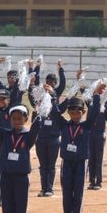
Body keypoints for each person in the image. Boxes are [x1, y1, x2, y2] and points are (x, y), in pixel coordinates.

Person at [51, 84, 105, 213]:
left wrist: (95, 95)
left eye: (78, 112)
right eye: (72, 112)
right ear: (68, 113)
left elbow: (94, 113)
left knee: (78, 195)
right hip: (66, 163)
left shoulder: (86, 126)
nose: (75, 115)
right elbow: (54, 113)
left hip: (81, 163)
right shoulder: (64, 125)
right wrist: (51, 96)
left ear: (83, 113)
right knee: (67, 195)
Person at [32, 61, 66, 197]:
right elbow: (33, 88)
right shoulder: (40, 98)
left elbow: (63, 84)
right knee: (42, 165)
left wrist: (60, 69)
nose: (49, 84)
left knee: (51, 165)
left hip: (53, 138)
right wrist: (37, 69)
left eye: (52, 82)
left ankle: (49, 189)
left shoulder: (56, 95)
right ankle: (43, 188)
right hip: (40, 138)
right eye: (48, 81)